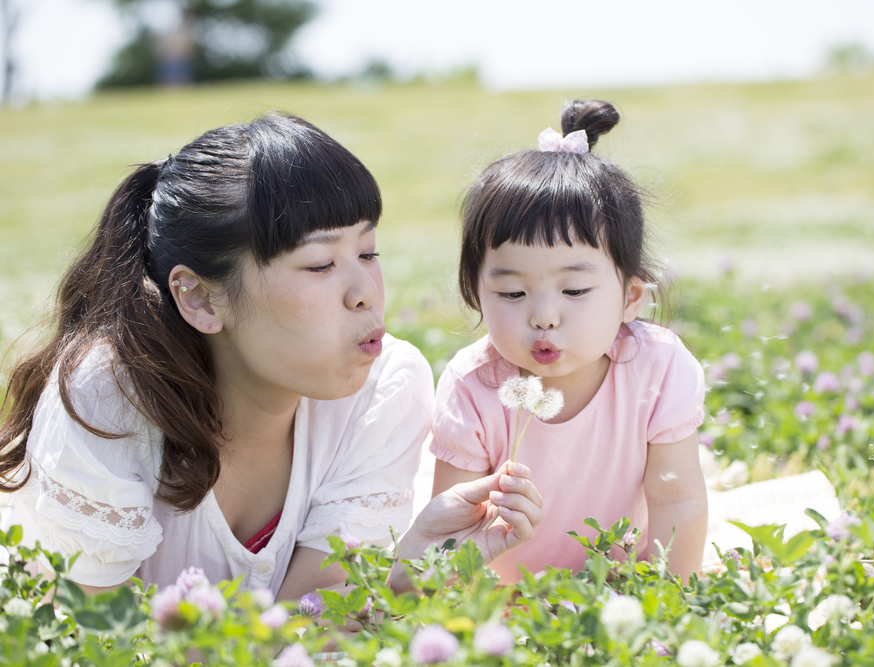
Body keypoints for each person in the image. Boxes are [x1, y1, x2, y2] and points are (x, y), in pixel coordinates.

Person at [0, 113, 542, 599]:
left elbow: (306, 629)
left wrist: (403, 574)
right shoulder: (111, 394)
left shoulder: (385, 386)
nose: (365, 292)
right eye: (319, 265)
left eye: (368, 251)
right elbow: (98, 645)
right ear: (200, 297)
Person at [430, 100, 708, 583]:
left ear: (631, 297)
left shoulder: (658, 368)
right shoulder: (471, 386)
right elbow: (449, 531)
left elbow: (676, 499)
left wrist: (665, 605)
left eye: (575, 290)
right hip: (503, 594)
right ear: (476, 291)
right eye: (512, 292)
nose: (543, 316)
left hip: (623, 582)